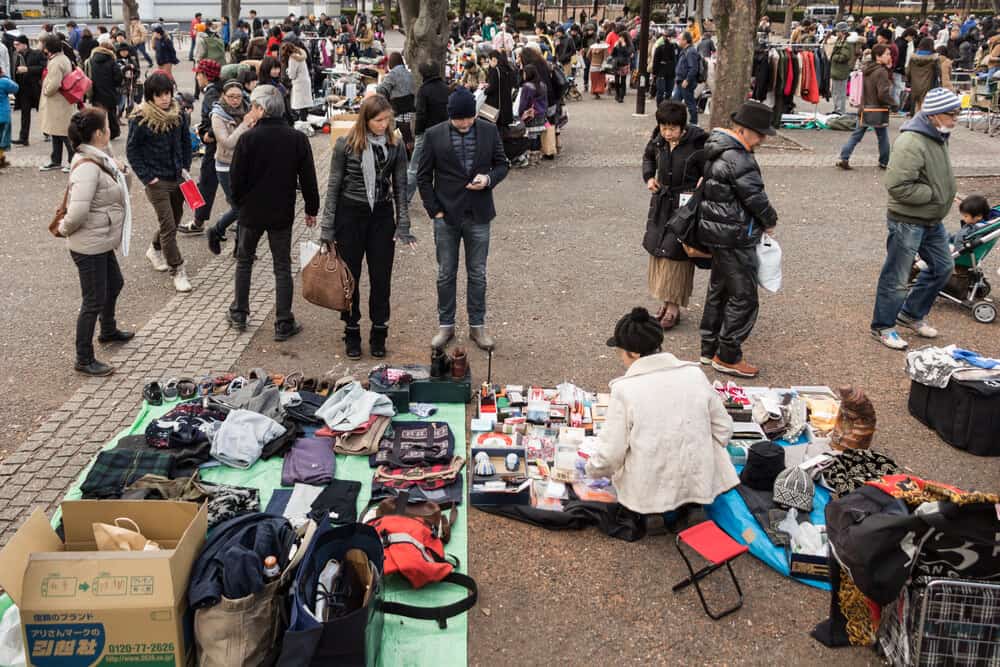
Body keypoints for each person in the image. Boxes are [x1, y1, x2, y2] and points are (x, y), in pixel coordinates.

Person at [585, 307, 738, 535]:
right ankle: (693, 505)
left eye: (621, 352)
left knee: (638, 449)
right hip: (697, 475)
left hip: (650, 481)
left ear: (635, 354)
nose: (621, 358)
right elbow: (724, 429)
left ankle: (651, 512)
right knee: (700, 440)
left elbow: (611, 452)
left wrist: (592, 469)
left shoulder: (625, 390)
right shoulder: (694, 375)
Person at [320, 95, 412, 359]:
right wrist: (327, 229)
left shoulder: (395, 146)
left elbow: (401, 187)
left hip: (381, 215)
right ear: (366, 119)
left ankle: (379, 331)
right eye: (378, 120)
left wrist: (402, 224)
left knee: (381, 277)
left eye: (387, 119)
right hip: (350, 215)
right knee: (350, 278)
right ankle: (351, 330)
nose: (384, 125)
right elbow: (334, 186)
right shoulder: (346, 145)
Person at [417, 87, 509, 351]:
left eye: (470, 118)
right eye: (460, 120)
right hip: (446, 216)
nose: (466, 123)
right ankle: (445, 325)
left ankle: (477, 326)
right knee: (446, 274)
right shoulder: (434, 135)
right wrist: (434, 210)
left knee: (478, 274)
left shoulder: (489, 130)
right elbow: (423, 176)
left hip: (479, 214)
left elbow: (502, 164)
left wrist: (488, 179)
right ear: (450, 116)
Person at [228, 85, 319, 340]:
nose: (251, 111)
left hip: (251, 212)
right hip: (281, 211)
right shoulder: (297, 138)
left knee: (245, 261)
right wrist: (311, 209)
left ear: (262, 109)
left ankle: (239, 313)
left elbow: (236, 179)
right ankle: (283, 321)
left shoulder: (248, 138)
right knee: (282, 267)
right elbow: (309, 178)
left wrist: (239, 204)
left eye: (254, 107)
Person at [871, 88, 959, 350]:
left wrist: (941, 194)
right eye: (951, 114)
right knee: (896, 277)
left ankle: (910, 314)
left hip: (931, 218)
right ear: (933, 115)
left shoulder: (938, 135)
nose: (956, 119)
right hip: (907, 220)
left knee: (943, 268)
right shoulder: (912, 141)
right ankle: (883, 327)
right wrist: (934, 194)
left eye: (957, 113)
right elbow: (897, 185)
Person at [697, 101, 778, 378]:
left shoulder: (717, 147)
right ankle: (727, 354)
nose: (763, 138)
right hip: (735, 233)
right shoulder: (739, 157)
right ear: (744, 131)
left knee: (719, 291)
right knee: (744, 296)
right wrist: (770, 220)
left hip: (717, 232)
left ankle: (709, 349)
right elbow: (756, 198)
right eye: (760, 133)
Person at [58, 108, 133, 376]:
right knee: (93, 300)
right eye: (106, 127)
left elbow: (119, 193)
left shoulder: (101, 158)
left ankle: (108, 330)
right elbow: (77, 212)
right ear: (99, 133)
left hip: (101, 240)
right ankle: (83, 357)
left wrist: (121, 171)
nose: (111, 129)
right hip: (88, 244)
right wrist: (65, 228)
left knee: (115, 283)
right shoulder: (88, 167)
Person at [641, 101, 707, 329]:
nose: (667, 133)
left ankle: (674, 307)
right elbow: (648, 157)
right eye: (664, 128)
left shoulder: (698, 143)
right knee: (660, 252)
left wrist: (703, 180)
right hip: (661, 203)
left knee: (677, 254)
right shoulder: (658, 141)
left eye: (672, 129)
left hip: (685, 206)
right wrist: (649, 177)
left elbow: (712, 167)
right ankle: (665, 301)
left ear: (683, 126)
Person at [126, 72, 194, 292]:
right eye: (159, 95)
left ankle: (154, 248)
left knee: (173, 221)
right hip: (156, 181)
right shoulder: (141, 118)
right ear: (150, 96)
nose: (165, 98)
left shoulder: (178, 115)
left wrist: (185, 167)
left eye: (167, 93)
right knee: (168, 225)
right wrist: (148, 178)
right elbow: (132, 151)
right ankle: (177, 269)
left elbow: (185, 143)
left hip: (177, 176)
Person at [206, 80, 260, 255]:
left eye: (238, 96)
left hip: (246, 165)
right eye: (231, 97)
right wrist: (245, 124)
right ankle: (216, 230)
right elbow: (227, 142)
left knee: (246, 206)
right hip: (226, 166)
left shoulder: (248, 109)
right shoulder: (218, 115)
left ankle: (240, 247)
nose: (235, 100)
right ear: (223, 95)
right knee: (240, 207)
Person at [179, 59, 223, 235]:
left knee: (206, 183)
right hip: (225, 144)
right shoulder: (221, 89)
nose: (197, 77)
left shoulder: (212, 94)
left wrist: (209, 134)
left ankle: (198, 222)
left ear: (205, 75)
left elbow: (217, 116)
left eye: (198, 74)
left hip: (215, 146)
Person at [836, 44, 895, 170]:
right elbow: (882, 93)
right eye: (887, 54)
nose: (889, 57)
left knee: (856, 135)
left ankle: (844, 157)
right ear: (878, 57)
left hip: (865, 107)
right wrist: (894, 103)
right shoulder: (881, 72)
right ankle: (884, 161)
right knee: (882, 137)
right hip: (878, 108)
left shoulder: (867, 68)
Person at [408, 60, 449, 203]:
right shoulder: (445, 88)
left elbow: (421, 115)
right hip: (444, 133)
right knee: (442, 168)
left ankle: (405, 198)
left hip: (425, 133)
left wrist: (417, 133)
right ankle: (442, 196)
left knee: (414, 167)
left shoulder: (424, 90)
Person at [38, 35, 76, 172]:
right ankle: (56, 159)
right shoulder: (62, 58)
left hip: (58, 102)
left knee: (63, 132)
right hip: (61, 101)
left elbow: (54, 84)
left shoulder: (56, 62)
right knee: (57, 131)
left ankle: (72, 160)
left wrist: (46, 91)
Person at [85, 35, 123, 140]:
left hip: (96, 92)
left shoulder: (91, 60)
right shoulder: (112, 61)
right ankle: (113, 132)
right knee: (111, 113)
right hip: (110, 91)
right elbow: (118, 78)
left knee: (98, 115)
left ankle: (99, 133)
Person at [375, 51, 415, 147]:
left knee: (400, 129)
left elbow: (381, 89)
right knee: (405, 127)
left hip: (398, 105)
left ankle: (403, 148)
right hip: (409, 104)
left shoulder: (393, 74)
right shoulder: (408, 73)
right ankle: (407, 147)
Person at [11, 34, 43, 147]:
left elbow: (43, 68)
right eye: (14, 45)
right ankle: (23, 138)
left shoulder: (37, 54)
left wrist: (27, 69)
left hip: (35, 88)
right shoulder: (16, 55)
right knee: (25, 114)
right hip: (23, 89)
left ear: (25, 44)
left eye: (17, 44)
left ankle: (51, 133)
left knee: (43, 111)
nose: (15, 47)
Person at [672, 31, 700, 124]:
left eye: (680, 39)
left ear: (685, 40)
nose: (678, 40)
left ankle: (694, 122)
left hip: (686, 81)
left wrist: (687, 80)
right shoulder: (685, 50)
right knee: (675, 102)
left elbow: (693, 68)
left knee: (690, 103)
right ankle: (676, 121)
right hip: (680, 80)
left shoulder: (691, 51)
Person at [906, 37, 940, 112]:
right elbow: (938, 72)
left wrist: (908, 81)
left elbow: (908, 72)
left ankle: (916, 121)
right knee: (926, 107)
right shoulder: (934, 58)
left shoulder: (913, 58)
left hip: (915, 86)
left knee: (917, 106)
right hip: (928, 86)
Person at [281, 41, 313, 121]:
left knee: (300, 104)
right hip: (305, 81)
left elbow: (292, 75)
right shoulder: (300, 56)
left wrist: (287, 70)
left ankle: (302, 123)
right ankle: (304, 120)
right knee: (304, 105)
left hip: (299, 83)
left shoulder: (293, 59)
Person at [829, 22, 857, 115]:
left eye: (837, 31)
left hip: (841, 70)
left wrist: (833, 57)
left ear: (842, 31)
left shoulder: (847, 42)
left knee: (840, 92)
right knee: (835, 91)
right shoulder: (840, 40)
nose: (836, 33)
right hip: (837, 70)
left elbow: (845, 56)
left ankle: (840, 111)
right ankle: (837, 109)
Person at [651, 30, 676, 105]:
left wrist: (654, 72)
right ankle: (661, 107)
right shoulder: (660, 47)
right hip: (663, 72)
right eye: (666, 36)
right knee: (662, 91)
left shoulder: (674, 47)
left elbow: (675, 60)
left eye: (669, 37)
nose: (668, 38)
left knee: (666, 91)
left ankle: (664, 107)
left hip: (668, 72)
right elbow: (655, 61)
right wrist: (655, 72)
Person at [609, 31, 633, 103]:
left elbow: (628, 54)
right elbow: (612, 54)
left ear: (625, 38)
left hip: (624, 64)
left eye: (621, 37)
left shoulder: (629, 44)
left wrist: (624, 46)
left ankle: (621, 97)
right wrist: (615, 47)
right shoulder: (617, 44)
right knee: (616, 81)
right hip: (617, 64)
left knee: (623, 81)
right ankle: (617, 94)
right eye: (619, 37)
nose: (620, 38)